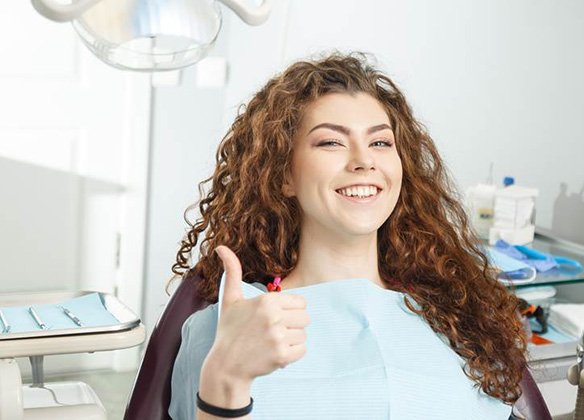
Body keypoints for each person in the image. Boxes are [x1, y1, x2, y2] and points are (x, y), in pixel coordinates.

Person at [168, 51, 528, 419]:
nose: (363, 161)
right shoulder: (229, 325)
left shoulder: (458, 319)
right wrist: (225, 379)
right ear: (283, 176)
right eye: (331, 142)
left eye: (380, 143)